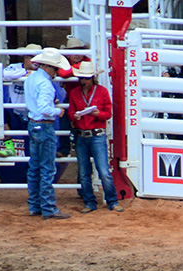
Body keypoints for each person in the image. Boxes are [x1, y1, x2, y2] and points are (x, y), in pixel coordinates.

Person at [66, 61, 122, 212]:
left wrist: (99, 115)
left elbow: (108, 113)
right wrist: (74, 116)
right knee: (85, 172)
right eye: (83, 78)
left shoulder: (101, 92)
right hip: (84, 134)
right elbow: (70, 113)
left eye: (87, 78)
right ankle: (93, 201)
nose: (85, 81)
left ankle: (110, 201)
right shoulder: (77, 93)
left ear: (92, 78)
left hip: (94, 134)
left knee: (102, 170)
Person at [24, 47, 71, 220]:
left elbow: (37, 104)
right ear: (49, 67)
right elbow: (44, 109)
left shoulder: (32, 79)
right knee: (47, 168)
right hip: (44, 126)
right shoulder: (45, 84)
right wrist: (57, 111)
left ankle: (34, 205)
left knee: (35, 167)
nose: (56, 72)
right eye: (56, 68)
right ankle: (48, 207)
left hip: (33, 124)